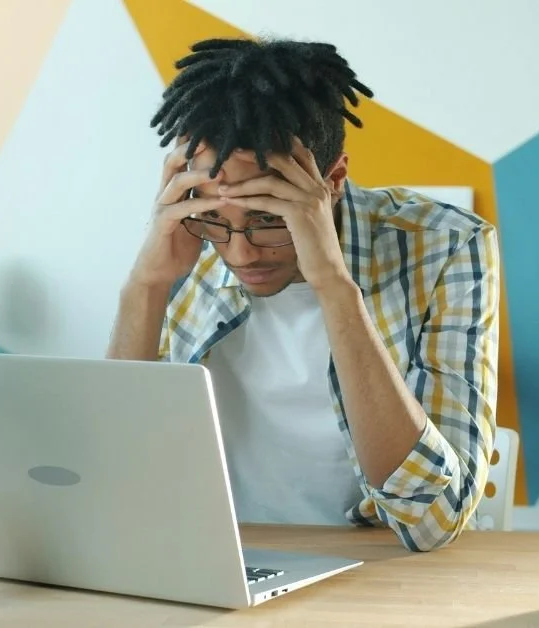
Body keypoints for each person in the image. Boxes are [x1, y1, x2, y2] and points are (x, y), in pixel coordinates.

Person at [106, 36, 499, 552]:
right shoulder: (183, 240)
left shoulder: (445, 245)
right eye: (214, 218)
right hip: (217, 554)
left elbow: (433, 520)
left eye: (268, 218)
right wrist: (146, 284)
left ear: (333, 180)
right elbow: (109, 481)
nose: (241, 253)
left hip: (378, 561)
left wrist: (333, 284)